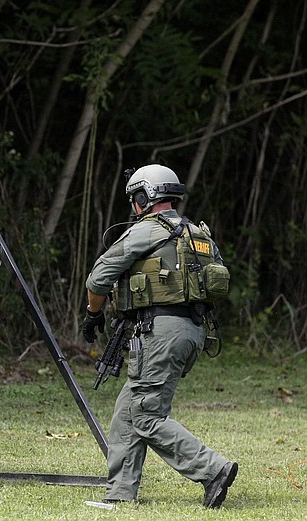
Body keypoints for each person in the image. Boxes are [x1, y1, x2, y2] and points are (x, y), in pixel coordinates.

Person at [82, 164, 237, 508]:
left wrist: (93, 314)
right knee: (128, 409)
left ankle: (213, 470)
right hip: (194, 331)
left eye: (133, 198)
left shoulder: (148, 230)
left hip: (159, 332)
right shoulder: (199, 234)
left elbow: (98, 278)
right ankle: (120, 494)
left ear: (143, 197)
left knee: (147, 414)